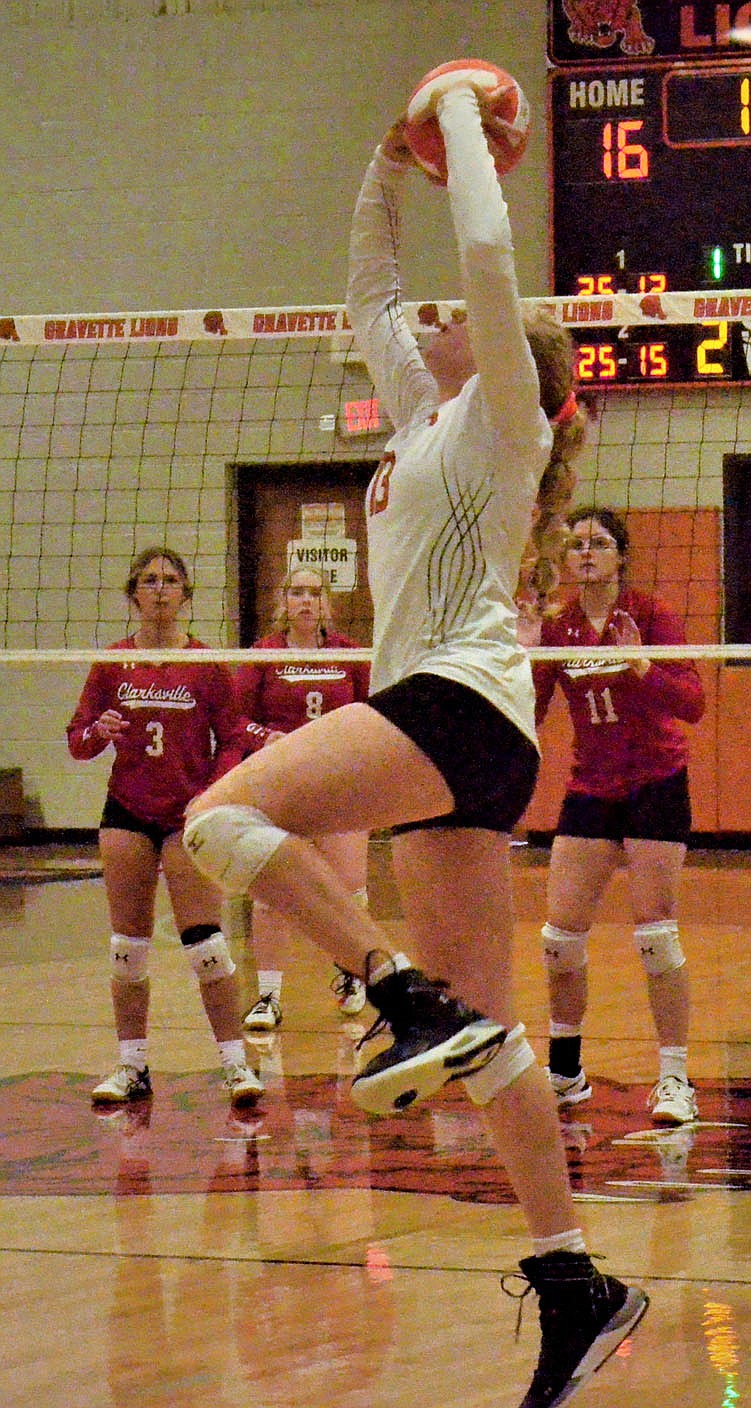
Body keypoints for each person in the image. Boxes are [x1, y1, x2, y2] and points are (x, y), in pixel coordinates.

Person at [182, 78, 648, 1408]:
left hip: (459, 700)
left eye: (473, 325)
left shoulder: (505, 414)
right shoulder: (416, 416)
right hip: (461, 738)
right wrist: (383, 170)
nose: (439, 324)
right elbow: (371, 292)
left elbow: (490, 260)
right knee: (490, 1044)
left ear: (522, 367)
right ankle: (576, 1283)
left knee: (220, 821)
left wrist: (457, 118)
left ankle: (389, 991)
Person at [66, 546, 262, 1109]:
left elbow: (233, 737)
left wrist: (212, 794)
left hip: (186, 816)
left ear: (185, 594)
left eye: (170, 580)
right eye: (148, 581)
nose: (158, 589)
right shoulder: (112, 662)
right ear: (133, 594)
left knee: (207, 949)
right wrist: (99, 731)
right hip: (126, 812)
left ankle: (236, 1065)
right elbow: (78, 742)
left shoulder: (204, 662)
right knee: (127, 949)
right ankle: (132, 1066)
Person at [532, 506, 705, 1126]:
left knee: (655, 934)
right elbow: (530, 714)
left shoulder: (650, 615)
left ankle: (675, 1078)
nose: (585, 553)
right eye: (575, 544)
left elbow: (694, 703)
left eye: (598, 543)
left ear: (619, 555)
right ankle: (565, 1071)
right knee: (559, 936)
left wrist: (642, 665)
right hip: (591, 787)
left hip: (656, 782)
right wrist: (524, 657)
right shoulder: (560, 629)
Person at [235, 565, 371, 1030]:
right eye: (296, 592)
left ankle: (351, 975)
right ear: (284, 601)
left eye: (315, 592)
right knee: (270, 892)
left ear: (326, 602)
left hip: (339, 784)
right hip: (280, 783)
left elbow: (375, 712)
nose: (306, 601)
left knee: (349, 890)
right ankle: (268, 997)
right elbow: (235, 720)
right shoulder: (263, 654)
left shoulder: (351, 654)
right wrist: (267, 737)